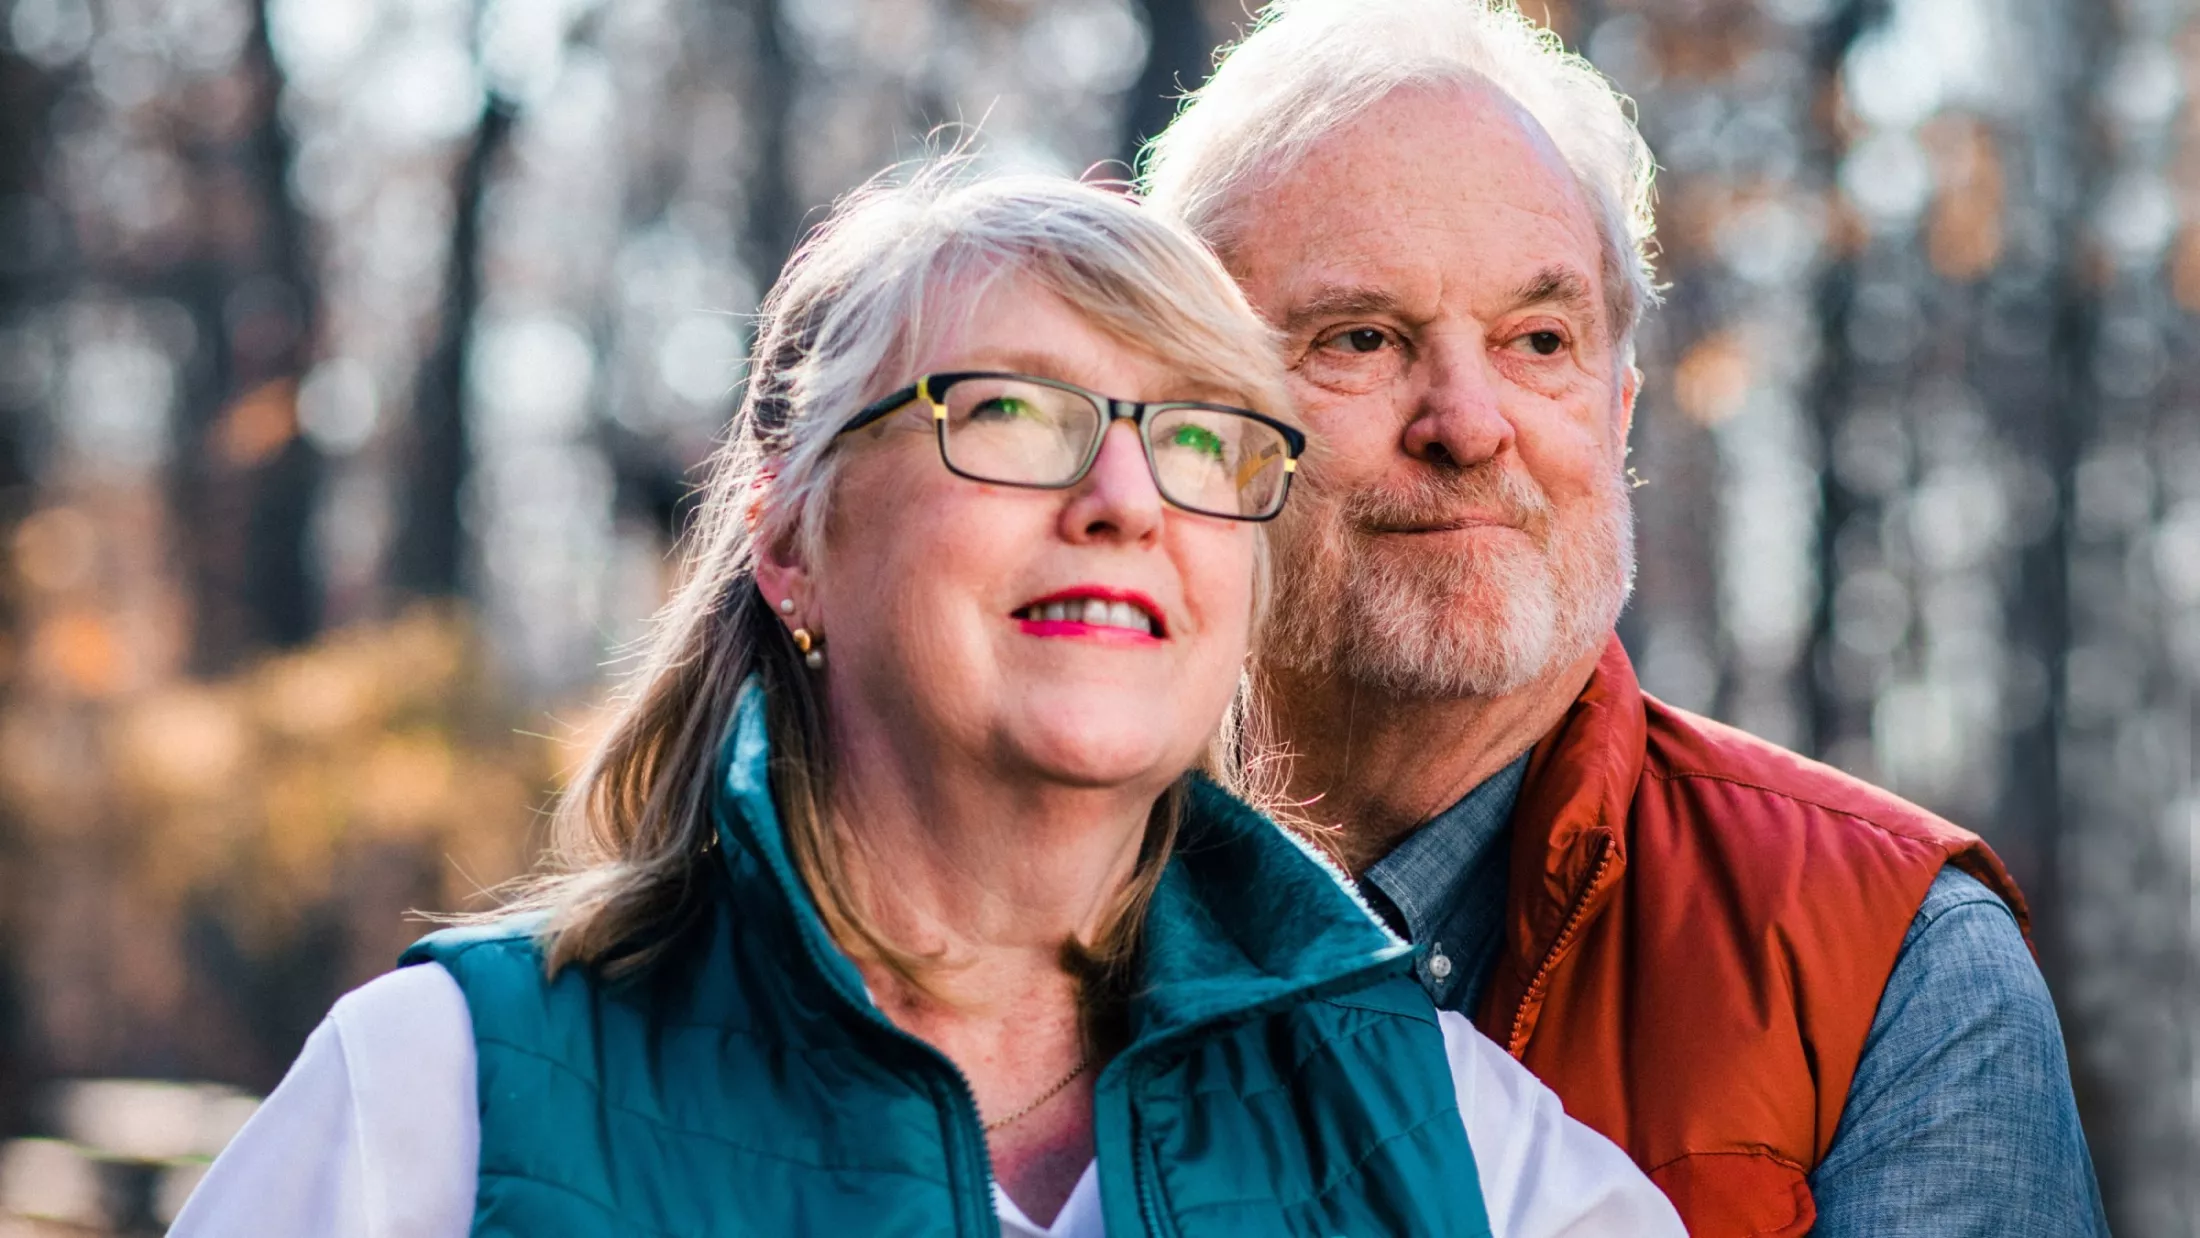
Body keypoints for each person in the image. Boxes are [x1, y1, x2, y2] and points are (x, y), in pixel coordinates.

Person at [170, 168, 1683, 1237]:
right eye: (1012, 412)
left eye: (1200, 438)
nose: (1121, 497)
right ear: (791, 541)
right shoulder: (441, 1099)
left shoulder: (1463, 1149)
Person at [1142, 4, 2111, 1237]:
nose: (1470, 420)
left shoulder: (1894, 963)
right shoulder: (1000, 905)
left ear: (1618, 407)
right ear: (1181, 423)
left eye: (1538, 339)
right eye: (1361, 339)